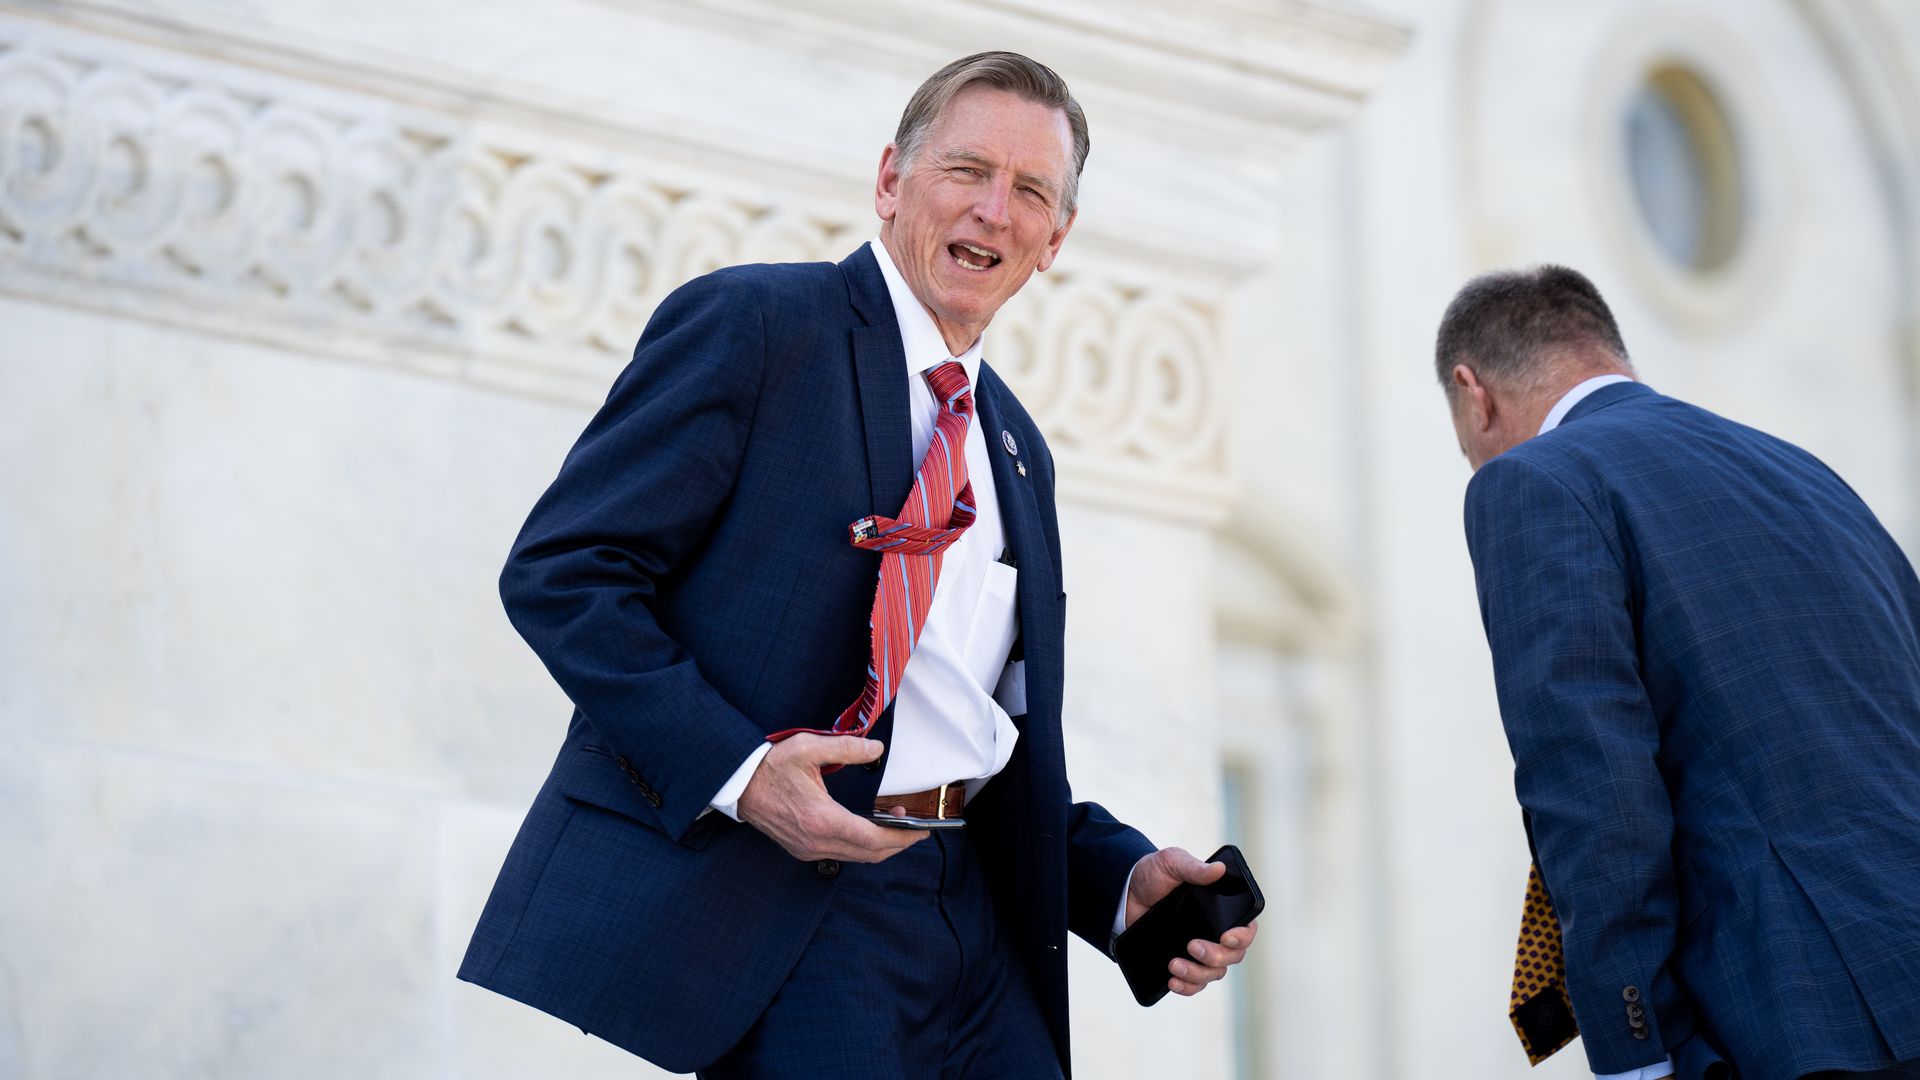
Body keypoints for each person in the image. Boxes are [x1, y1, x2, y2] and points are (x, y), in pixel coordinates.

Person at [459, 51, 1255, 1079]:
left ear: (1055, 239)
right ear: (890, 180)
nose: (993, 210)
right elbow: (565, 572)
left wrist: (1117, 879)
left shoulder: (1018, 446)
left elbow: (965, 723)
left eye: (1030, 192)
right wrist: (744, 776)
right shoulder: (756, 326)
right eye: (967, 170)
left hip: (981, 931)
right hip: (799, 915)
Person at [1436, 265, 1920, 1080]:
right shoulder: (1807, 474)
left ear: (1473, 393)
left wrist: (1635, 1048)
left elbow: (1589, 783)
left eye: (1466, 448)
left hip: (1789, 1017)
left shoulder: (1533, 480)